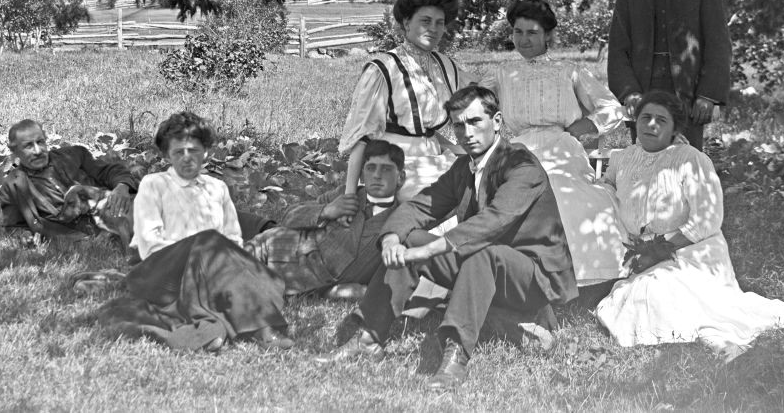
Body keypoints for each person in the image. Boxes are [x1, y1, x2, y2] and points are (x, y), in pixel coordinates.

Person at [317, 85, 577, 391]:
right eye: (458, 125)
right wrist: (391, 239)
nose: (466, 133)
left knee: (482, 253)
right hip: (481, 266)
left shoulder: (522, 166)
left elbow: (490, 224)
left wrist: (425, 252)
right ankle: (368, 339)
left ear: (497, 122)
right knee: (409, 239)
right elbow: (420, 205)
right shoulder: (463, 167)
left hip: (533, 278)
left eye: (475, 122)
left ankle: (456, 355)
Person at [595, 91, 784, 361]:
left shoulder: (691, 160)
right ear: (635, 121)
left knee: (659, 289)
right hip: (644, 252)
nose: (651, 125)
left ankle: (719, 341)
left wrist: (660, 249)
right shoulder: (622, 158)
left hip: (693, 250)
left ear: (675, 128)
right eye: (645, 117)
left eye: (661, 120)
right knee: (636, 297)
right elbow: (606, 191)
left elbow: (707, 220)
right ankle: (708, 336)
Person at [103, 111, 292, 352]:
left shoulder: (217, 188)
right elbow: (150, 246)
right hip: (160, 273)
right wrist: (199, 255)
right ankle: (263, 328)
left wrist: (216, 264)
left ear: (206, 152)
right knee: (209, 242)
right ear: (166, 155)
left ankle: (215, 324)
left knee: (227, 252)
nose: (186, 158)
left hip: (211, 273)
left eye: (193, 151)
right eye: (178, 152)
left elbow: (233, 240)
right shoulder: (153, 185)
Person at [483, 0, 626, 288]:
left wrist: (583, 128)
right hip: (519, 151)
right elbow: (470, 103)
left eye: (532, 32)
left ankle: (580, 275)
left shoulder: (568, 71)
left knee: (564, 193)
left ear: (548, 35)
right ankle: (519, 274)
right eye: (518, 32)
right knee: (514, 196)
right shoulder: (502, 75)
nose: (523, 40)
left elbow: (611, 108)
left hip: (563, 148)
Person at [607, 0, 732, 150]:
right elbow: (618, 51)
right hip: (643, 93)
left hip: (688, 94)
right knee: (645, 163)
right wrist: (629, 93)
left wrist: (707, 95)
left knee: (687, 166)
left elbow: (719, 45)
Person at [340, 0, 472, 202]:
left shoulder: (446, 66)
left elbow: (426, 129)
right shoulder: (383, 68)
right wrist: (350, 195)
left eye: (439, 23)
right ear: (407, 22)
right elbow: (362, 137)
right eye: (425, 21)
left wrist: (458, 149)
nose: (433, 29)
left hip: (435, 159)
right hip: (396, 166)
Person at [246, 139, 406, 296]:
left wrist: (352, 291)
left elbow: (395, 278)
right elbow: (289, 216)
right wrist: (326, 210)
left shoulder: (402, 221)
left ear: (401, 177)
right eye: (371, 168)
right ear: (362, 174)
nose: (377, 175)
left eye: (386, 169)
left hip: (308, 280)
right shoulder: (347, 194)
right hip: (274, 246)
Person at [0, 118, 137, 243]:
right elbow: (13, 225)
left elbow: (107, 171)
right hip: (75, 234)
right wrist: (24, 235)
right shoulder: (13, 185)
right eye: (28, 146)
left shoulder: (73, 155)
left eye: (40, 142)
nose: (38, 151)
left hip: (114, 218)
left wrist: (122, 186)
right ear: (15, 151)